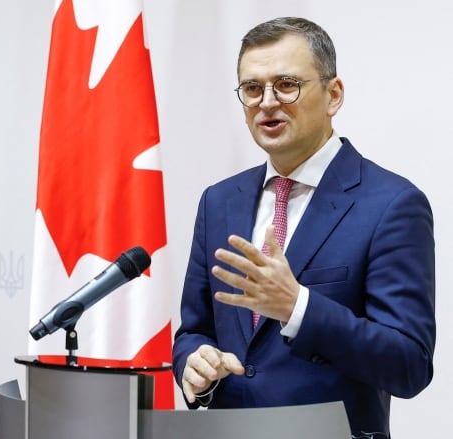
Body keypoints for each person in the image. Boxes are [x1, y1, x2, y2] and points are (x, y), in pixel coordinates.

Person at [172, 17, 435, 437]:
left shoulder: (391, 205)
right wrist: (195, 363)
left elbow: (409, 365)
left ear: (333, 95)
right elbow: (195, 329)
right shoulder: (219, 201)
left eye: (287, 84)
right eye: (253, 89)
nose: (267, 102)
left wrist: (298, 307)